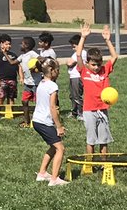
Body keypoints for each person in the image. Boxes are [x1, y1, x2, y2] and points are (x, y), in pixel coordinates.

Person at [74, 23, 118, 158]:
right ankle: (90, 163)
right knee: (91, 139)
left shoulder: (105, 70)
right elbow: (78, 54)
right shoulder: (84, 71)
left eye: (99, 64)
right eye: (93, 64)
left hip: (103, 108)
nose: (96, 67)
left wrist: (107, 40)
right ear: (88, 63)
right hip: (89, 110)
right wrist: (83, 37)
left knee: (103, 140)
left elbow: (114, 57)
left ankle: (104, 164)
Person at [32, 58, 66, 186]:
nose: (59, 73)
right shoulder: (53, 86)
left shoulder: (42, 83)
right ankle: (54, 179)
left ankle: (42, 174)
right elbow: (53, 108)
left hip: (37, 120)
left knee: (54, 146)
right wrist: (59, 126)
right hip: (44, 122)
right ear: (51, 71)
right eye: (58, 70)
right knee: (60, 149)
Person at [17, 35, 40, 128]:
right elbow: (12, 62)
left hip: (36, 83)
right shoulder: (22, 56)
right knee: (24, 101)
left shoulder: (32, 54)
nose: (20, 45)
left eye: (22, 44)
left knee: (39, 103)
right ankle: (27, 121)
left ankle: (39, 121)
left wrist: (37, 67)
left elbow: (41, 59)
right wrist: (5, 53)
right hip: (27, 84)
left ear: (26, 45)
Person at [0, 33, 19, 105]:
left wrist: (21, 76)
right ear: (0, 44)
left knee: (11, 98)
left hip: (13, 80)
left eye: (9, 44)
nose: (9, 46)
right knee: (1, 97)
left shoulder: (13, 55)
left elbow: (18, 66)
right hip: (2, 80)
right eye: (6, 44)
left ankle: (10, 114)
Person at [65, 33, 84, 119]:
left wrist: (68, 62)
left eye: (74, 46)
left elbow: (69, 63)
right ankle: (74, 112)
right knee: (72, 95)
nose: (73, 48)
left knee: (77, 96)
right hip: (73, 76)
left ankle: (81, 113)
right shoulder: (76, 53)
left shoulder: (81, 53)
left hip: (77, 77)